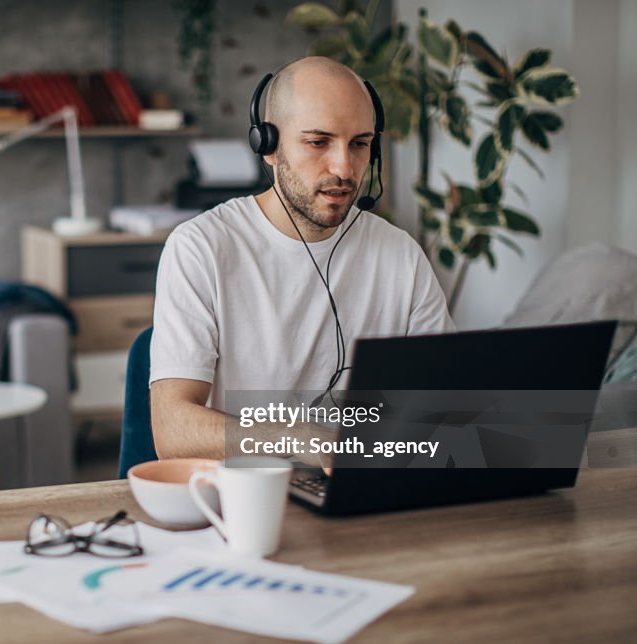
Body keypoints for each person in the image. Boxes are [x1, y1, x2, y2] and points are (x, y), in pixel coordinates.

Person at [149, 57, 454, 463]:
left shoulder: (400, 254)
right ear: (268, 147)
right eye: (318, 142)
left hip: (364, 491)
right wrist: (300, 439)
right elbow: (172, 430)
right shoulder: (201, 247)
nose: (344, 168)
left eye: (360, 144)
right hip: (244, 501)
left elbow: (446, 403)